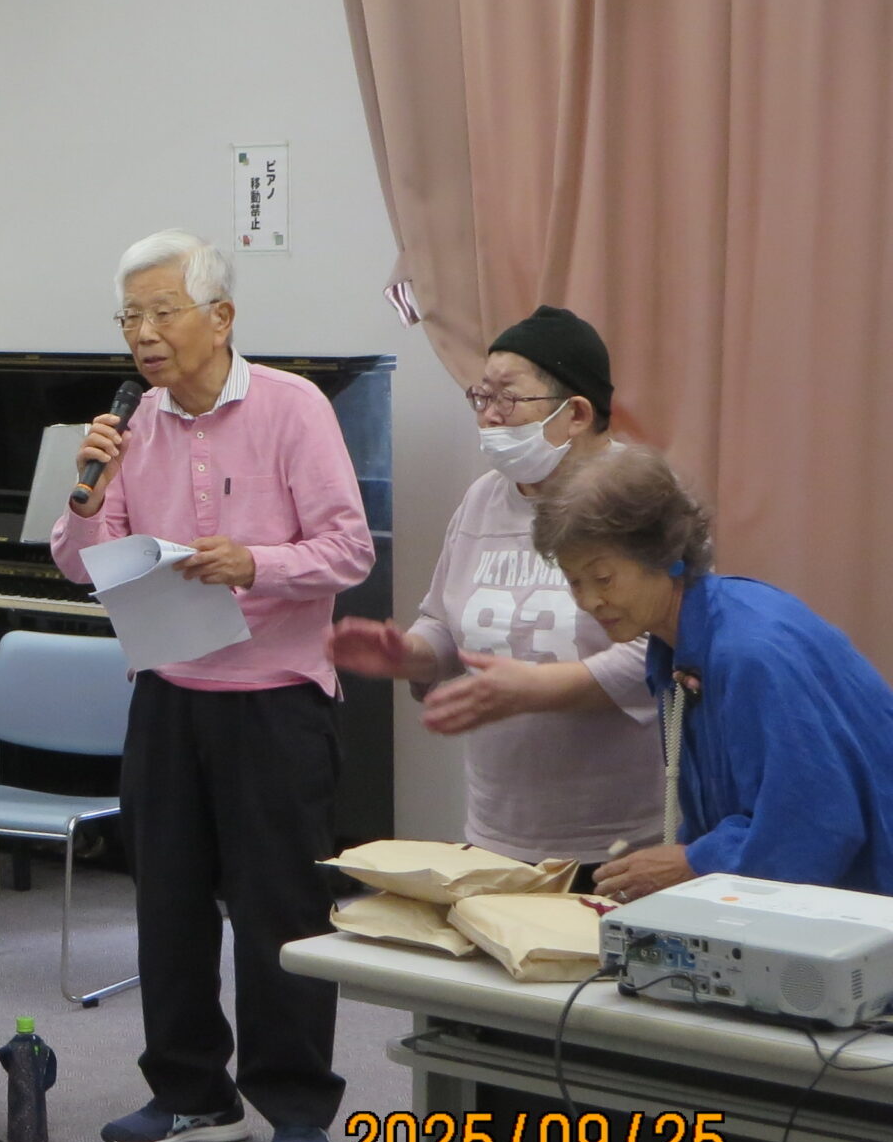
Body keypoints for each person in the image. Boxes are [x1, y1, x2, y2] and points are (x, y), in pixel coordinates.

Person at [51, 229, 372, 1142]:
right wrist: (87, 501)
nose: (142, 334)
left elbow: (350, 549)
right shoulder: (128, 428)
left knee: (281, 906)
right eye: (129, 318)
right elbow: (81, 567)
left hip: (275, 698)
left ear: (221, 318)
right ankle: (192, 1093)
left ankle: (298, 1103)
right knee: (170, 904)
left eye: (162, 313)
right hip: (167, 693)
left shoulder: (293, 407)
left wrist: (255, 563)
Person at [331, 308, 661, 884]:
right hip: (497, 828)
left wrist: (539, 688)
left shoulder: (642, 497)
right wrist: (410, 654)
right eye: (481, 397)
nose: (488, 416)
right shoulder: (483, 499)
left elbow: (665, 651)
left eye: (507, 398)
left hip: (620, 838)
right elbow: (444, 622)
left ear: (576, 413)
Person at [529, 447, 893, 902]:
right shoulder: (676, 645)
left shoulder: (749, 650)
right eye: (574, 582)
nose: (588, 601)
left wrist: (693, 863)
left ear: (662, 553)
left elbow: (817, 825)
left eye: (602, 578)